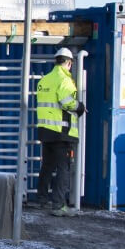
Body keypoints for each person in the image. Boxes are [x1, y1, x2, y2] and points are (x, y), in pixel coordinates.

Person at [35, 47, 84, 217]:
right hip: (61, 131)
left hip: (45, 130)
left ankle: (41, 199)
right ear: (69, 63)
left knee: (47, 165)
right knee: (64, 168)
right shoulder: (65, 80)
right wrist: (80, 107)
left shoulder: (44, 80)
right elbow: (66, 102)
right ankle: (58, 205)